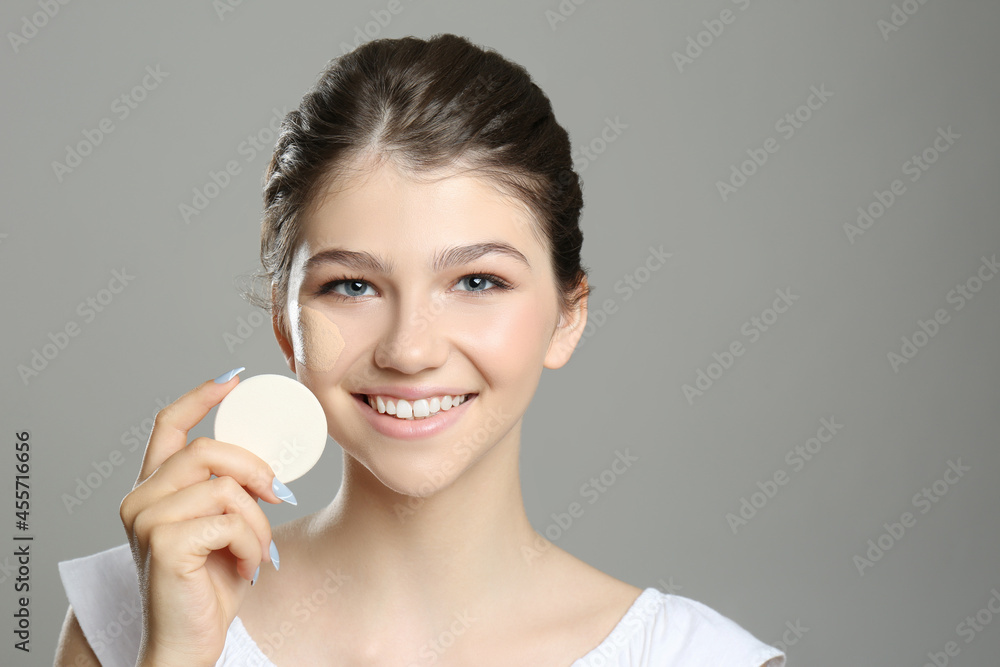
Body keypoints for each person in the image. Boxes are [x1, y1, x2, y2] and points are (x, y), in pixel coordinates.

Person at [55, 33, 786, 666]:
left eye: (476, 279)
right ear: (286, 325)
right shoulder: (136, 616)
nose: (409, 349)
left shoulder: (699, 657)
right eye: (351, 286)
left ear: (568, 315)